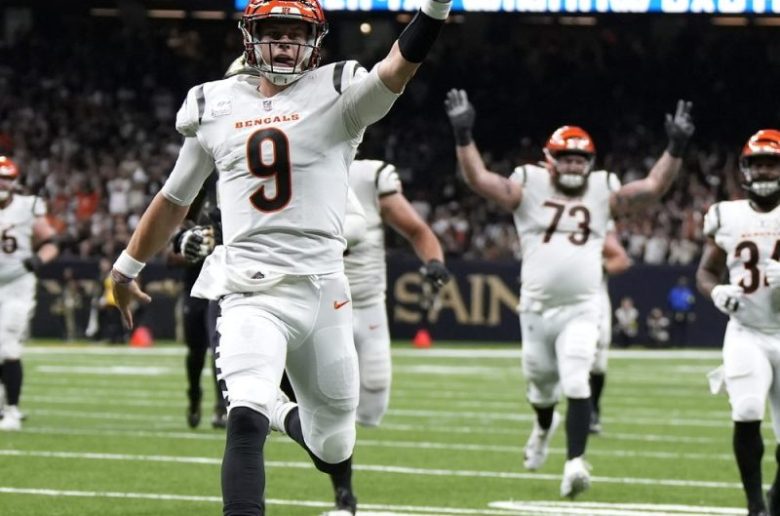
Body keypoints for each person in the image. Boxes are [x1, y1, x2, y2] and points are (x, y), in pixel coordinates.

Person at [110, 1, 453, 514]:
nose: (286, 43)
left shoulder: (338, 93)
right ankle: (259, 409)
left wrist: (435, 8)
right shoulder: (215, 103)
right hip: (249, 288)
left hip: (324, 289)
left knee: (333, 445)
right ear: (251, 38)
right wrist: (126, 267)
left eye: (296, 33)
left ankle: (280, 410)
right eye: (274, 31)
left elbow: (397, 68)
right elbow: (174, 199)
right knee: (244, 417)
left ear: (315, 42)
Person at [444, 89, 694, 498]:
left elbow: (652, 187)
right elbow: (479, 180)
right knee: (540, 390)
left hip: (582, 307)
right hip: (536, 309)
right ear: (550, 160)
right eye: (567, 158)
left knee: (577, 380)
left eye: (580, 159)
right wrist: (463, 136)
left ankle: (575, 464)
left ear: (590, 163)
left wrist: (676, 147)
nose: (574, 165)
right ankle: (544, 427)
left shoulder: (602, 189)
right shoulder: (529, 184)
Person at [696, 129, 780, 516]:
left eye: (771, 164)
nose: (764, 171)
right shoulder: (727, 216)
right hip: (747, 331)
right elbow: (706, 271)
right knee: (746, 410)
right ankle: (754, 506)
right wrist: (715, 291)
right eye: (757, 164)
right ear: (745, 170)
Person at [345, 158, 449, 427]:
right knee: (319, 399)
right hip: (317, 302)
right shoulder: (296, 169)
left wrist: (434, 261)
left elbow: (416, 229)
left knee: (374, 397)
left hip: (367, 301)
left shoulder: (367, 176)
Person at [0, 156, 59, 431]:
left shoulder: (27, 206)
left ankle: (12, 411)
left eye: (6, 178)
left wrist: (36, 260)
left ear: (15, 182)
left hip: (17, 284)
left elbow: (50, 243)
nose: (2, 183)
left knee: (8, 346)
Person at [168, 175, 228, 429]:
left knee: (219, 348)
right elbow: (171, 254)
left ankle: (221, 407)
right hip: (195, 288)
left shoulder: (237, 201)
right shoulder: (197, 200)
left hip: (222, 287)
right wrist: (193, 248)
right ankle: (194, 396)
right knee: (196, 351)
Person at [589, 228, 631, 434]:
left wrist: (597, 267)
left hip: (592, 296)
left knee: (597, 363)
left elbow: (621, 259)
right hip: (562, 293)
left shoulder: (597, 219)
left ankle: (592, 409)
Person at [667, 275, 696, 347]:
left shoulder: (688, 292)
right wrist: (674, 312)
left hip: (685, 312)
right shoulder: (674, 291)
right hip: (675, 311)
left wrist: (691, 312)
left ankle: (683, 344)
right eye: (681, 282)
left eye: (684, 282)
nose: (682, 283)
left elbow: (692, 302)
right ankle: (674, 343)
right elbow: (670, 301)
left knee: (684, 328)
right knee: (675, 328)